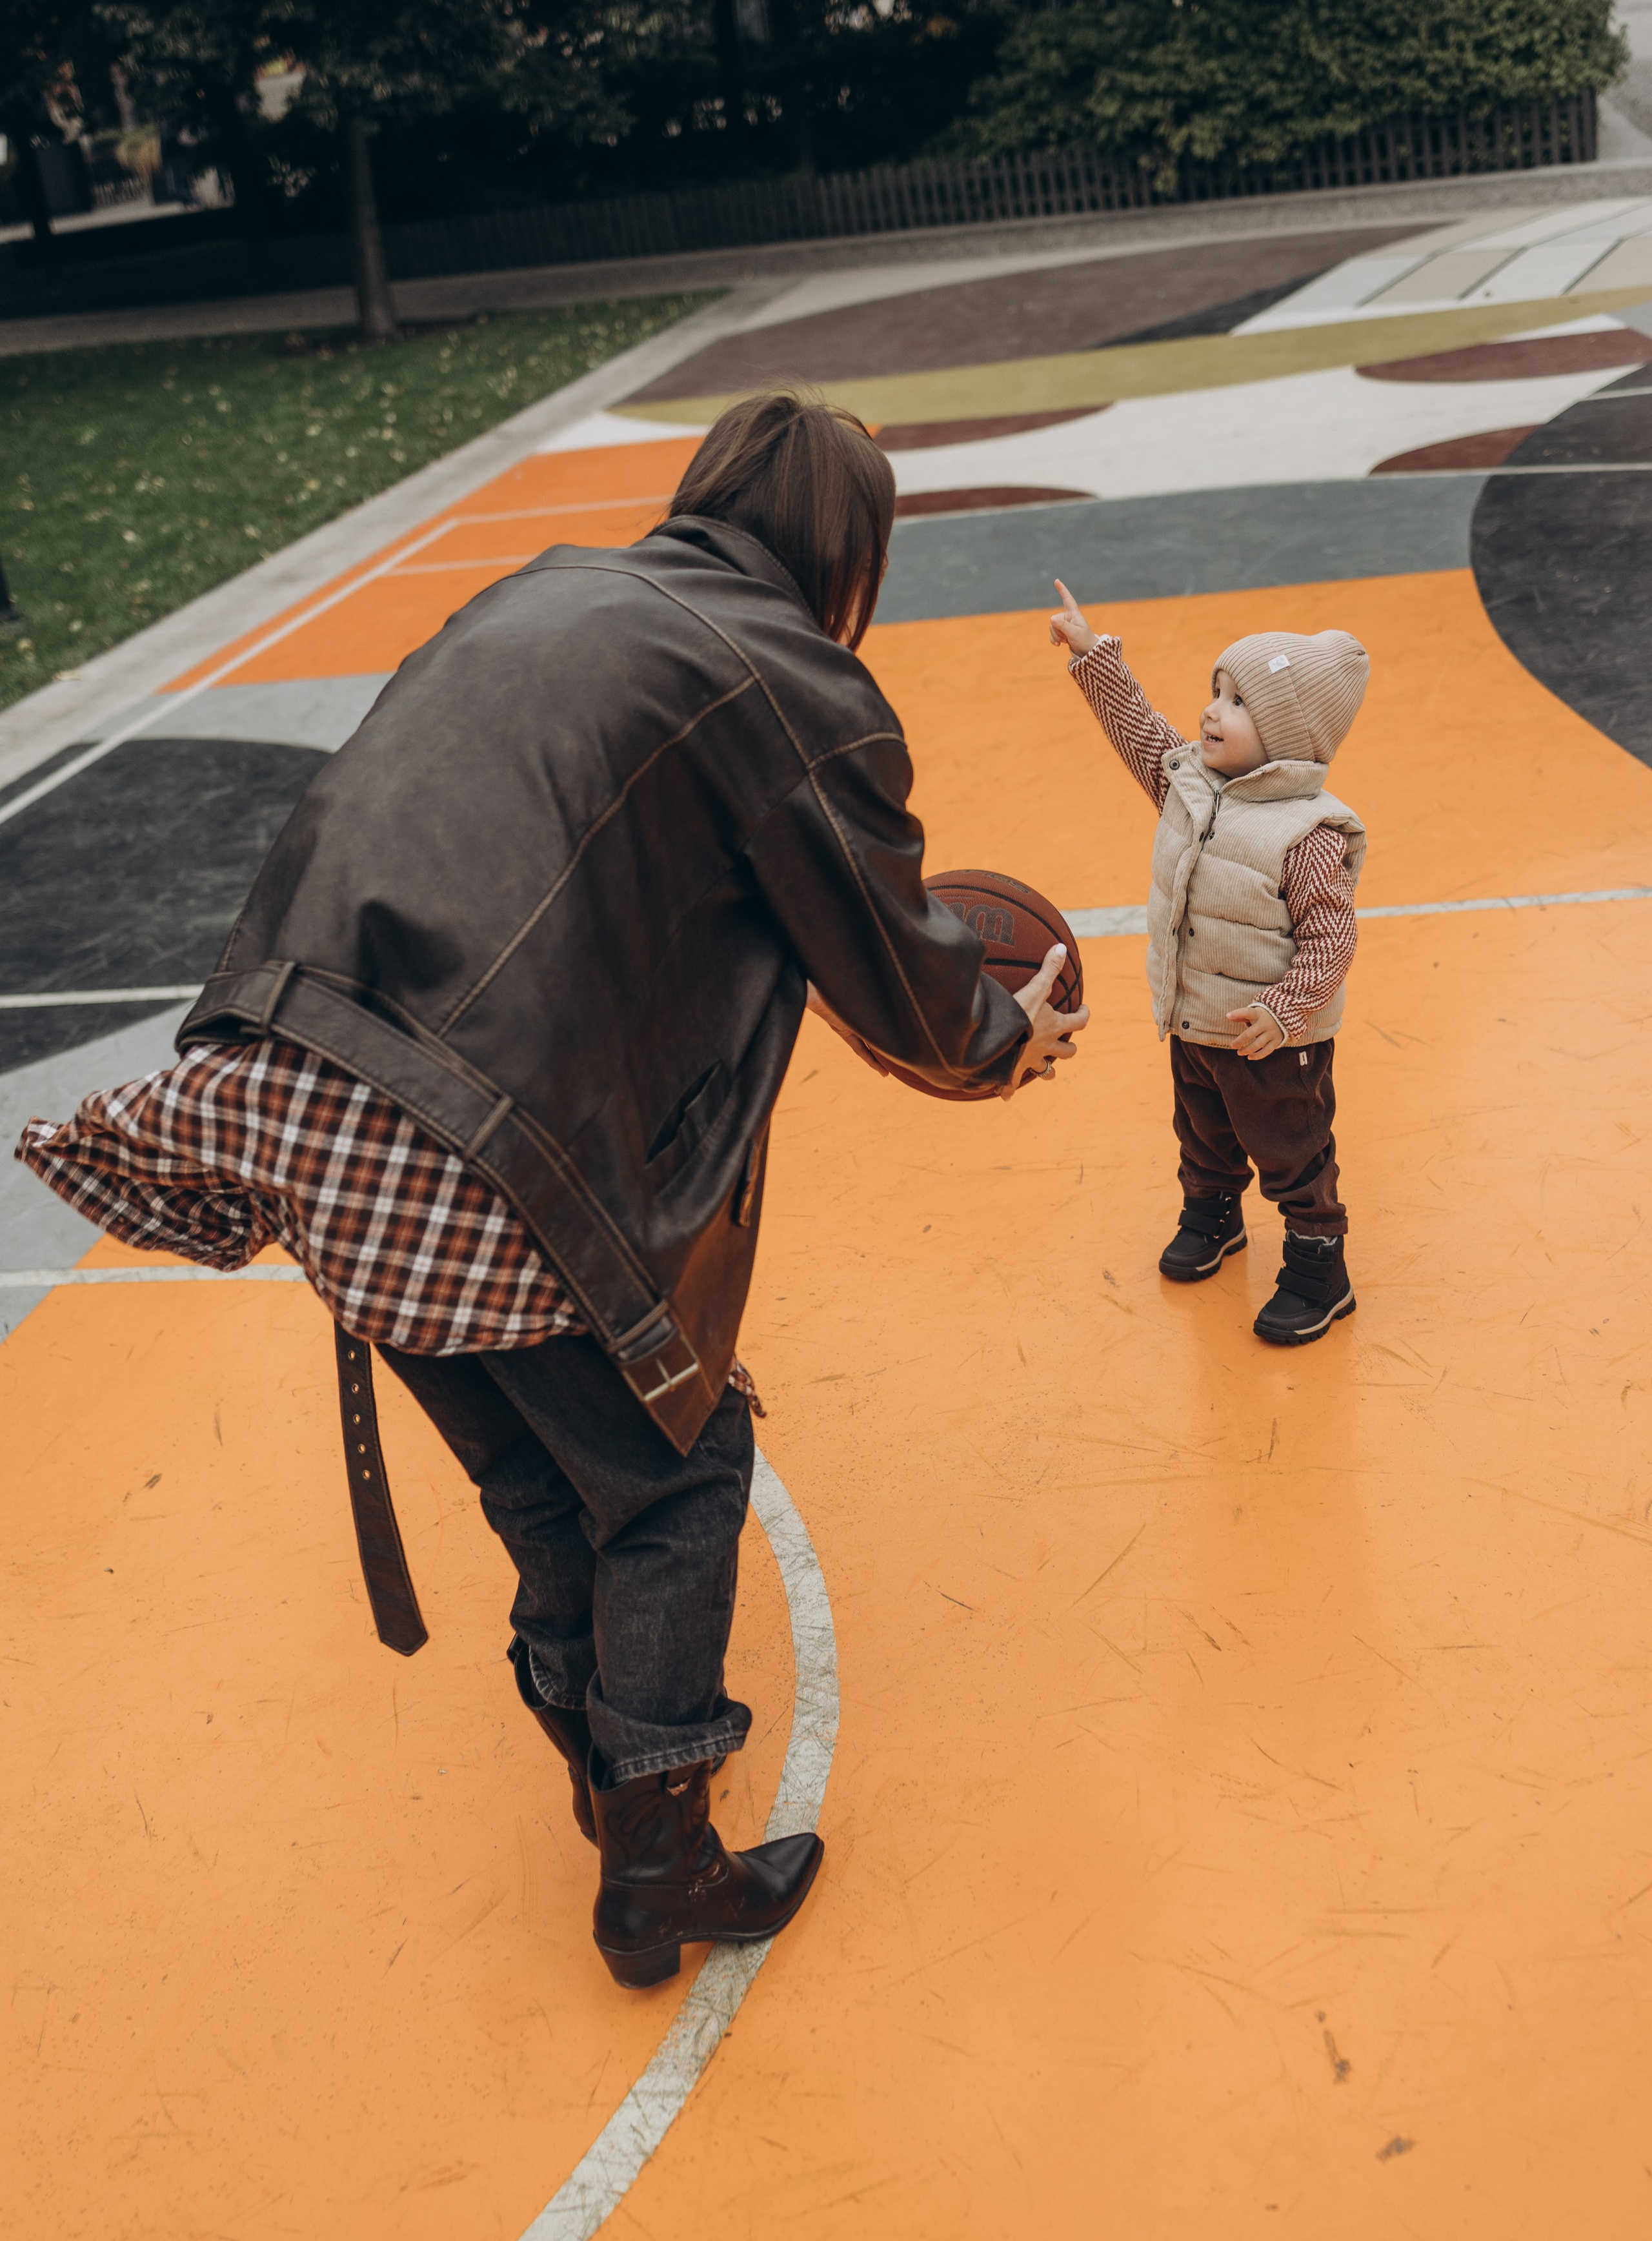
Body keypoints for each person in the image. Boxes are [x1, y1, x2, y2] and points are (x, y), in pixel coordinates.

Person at [16, 392, 1088, 1991]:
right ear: (846, 543)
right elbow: (892, 960)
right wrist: (1005, 1034)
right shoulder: (787, 676)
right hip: (469, 1129)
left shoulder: (541, 589)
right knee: (673, 1472)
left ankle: (611, 1799)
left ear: (706, 487)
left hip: (304, 1093)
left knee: (544, 1492)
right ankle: (656, 1866)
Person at [1047, 580, 1367, 1346]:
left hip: (1272, 1042)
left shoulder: (1309, 833)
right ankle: (1213, 1217)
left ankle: (1320, 1267)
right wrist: (1094, 655)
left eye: (1237, 701)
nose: (1210, 711)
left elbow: (1332, 941)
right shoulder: (1190, 786)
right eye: (1215, 692)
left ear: (1289, 731)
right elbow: (1141, 733)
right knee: (1202, 1133)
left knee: (1291, 1154)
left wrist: (1284, 1012)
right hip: (1194, 1016)